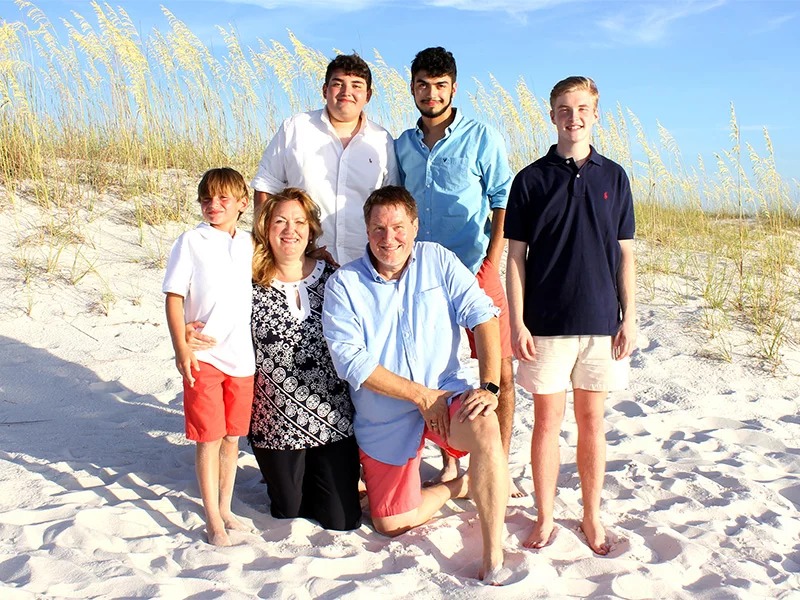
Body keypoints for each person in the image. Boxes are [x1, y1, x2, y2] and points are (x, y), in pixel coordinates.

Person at [322, 186, 509, 583]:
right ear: (366, 230)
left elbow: (482, 314)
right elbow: (352, 361)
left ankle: (493, 555)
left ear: (415, 226)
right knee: (391, 524)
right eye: (378, 228)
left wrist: (489, 387)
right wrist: (420, 397)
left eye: (398, 227)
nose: (389, 238)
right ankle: (460, 486)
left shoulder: (438, 259)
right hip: (385, 414)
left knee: (485, 423)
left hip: (445, 393)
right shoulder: (344, 284)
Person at [504, 76, 637, 555]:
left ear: (595, 114)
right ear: (552, 115)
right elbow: (515, 258)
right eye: (564, 109)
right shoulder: (530, 179)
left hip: (601, 321)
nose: (573, 117)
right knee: (546, 422)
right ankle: (544, 517)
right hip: (545, 324)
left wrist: (630, 316)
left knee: (592, 421)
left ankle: (591, 516)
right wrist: (517, 322)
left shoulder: (615, 177)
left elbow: (625, 253)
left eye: (582, 109)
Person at [394, 47, 518, 493]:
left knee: (500, 371)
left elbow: (503, 198)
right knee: (438, 369)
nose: (431, 94)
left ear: (454, 88)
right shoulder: (402, 145)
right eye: (423, 85)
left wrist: (493, 259)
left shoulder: (482, 136)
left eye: (440, 85)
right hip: (424, 276)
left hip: (474, 269)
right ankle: (450, 463)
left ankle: (499, 464)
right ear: (412, 88)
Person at [248, 187, 361, 531]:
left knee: (341, 519)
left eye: (299, 222)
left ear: (311, 229)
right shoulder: (247, 281)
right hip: (275, 422)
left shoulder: (334, 278)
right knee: (289, 511)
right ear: (266, 228)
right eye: (280, 221)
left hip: (333, 419)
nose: (290, 230)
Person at [163, 167, 255, 547]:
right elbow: (173, 296)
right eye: (206, 198)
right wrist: (181, 346)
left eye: (223, 198)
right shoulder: (191, 241)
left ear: (242, 203)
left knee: (232, 437)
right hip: (205, 356)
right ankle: (213, 519)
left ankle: (226, 508)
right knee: (209, 438)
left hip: (243, 357)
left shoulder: (249, 243)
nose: (213, 205)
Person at [251, 53, 399, 265]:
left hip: (363, 265)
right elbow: (266, 186)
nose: (347, 92)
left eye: (356, 85)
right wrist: (268, 247)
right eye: (338, 84)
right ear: (324, 90)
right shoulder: (295, 128)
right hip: (302, 264)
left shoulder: (382, 140)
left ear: (368, 95)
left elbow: (391, 206)